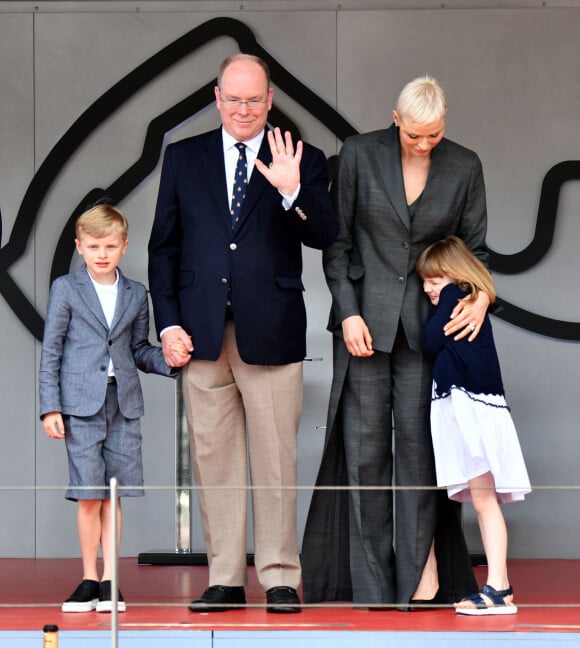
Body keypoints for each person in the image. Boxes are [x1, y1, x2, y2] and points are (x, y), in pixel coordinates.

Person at [148, 53, 337, 614]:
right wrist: (168, 322)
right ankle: (226, 577)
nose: (243, 109)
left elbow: (326, 233)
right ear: (216, 97)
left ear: (271, 100)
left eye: (254, 99)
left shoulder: (302, 157)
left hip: (271, 329)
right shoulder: (184, 158)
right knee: (214, 459)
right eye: (233, 99)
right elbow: (164, 248)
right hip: (201, 334)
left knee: (277, 458)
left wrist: (291, 191)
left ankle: (280, 574)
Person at [301, 75, 491, 608]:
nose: (425, 144)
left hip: (429, 331)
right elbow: (336, 246)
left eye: (434, 134)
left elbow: (475, 251)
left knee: (419, 454)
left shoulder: (466, 165)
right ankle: (372, 585)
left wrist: (479, 296)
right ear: (396, 118)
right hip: (363, 326)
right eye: (415, 135)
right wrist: (348, 313)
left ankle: (420, 580)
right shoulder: (359, 155)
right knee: (364, 457)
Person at [39, 205, 179, 613]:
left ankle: (110, 581)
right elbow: (51, 352)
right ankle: (87, 578)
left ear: (124, 246)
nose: (103, 253)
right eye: (94, 245)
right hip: (79, 404)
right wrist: (51, 408)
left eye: (111, 246)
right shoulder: (66, 288)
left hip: (124, 403)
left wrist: (172, 362)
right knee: (88, 494)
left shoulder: (136, 293)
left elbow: (138, 349)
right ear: (80, 247)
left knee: (113, 493)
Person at [416, 235, 531, 615]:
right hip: (471, 407)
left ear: (450, 274)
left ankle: (499, 586)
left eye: (432, 280)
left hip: (470, 408)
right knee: (485, 502)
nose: (427, 289)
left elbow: (430, 340)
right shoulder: (469, 297)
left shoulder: (454, 296)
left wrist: (445, 304)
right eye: (425, 283)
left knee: (485, 502)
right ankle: (500, 585)